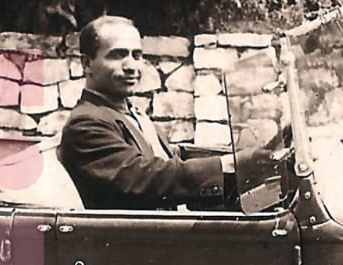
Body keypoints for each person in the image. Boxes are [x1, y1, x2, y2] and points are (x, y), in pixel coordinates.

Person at [62, 16, 257, 211]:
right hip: (143, 229)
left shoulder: (129, 112)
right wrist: (228, 164)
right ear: (87, 63)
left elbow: (167, 158)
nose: (131, 66)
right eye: (118, 55)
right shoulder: (86, 123)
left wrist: (242, 156)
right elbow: (147, 177)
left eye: (136, 55)